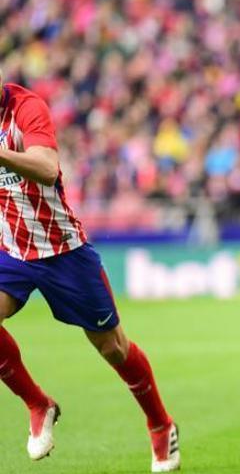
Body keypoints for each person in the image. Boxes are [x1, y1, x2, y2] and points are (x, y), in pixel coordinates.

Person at [0, 73, 180, 472]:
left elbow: (47, 168)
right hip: (13, 251)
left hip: (64, 251)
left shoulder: (26, 108)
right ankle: (38, 403)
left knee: (113, 348)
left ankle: (159, 424)